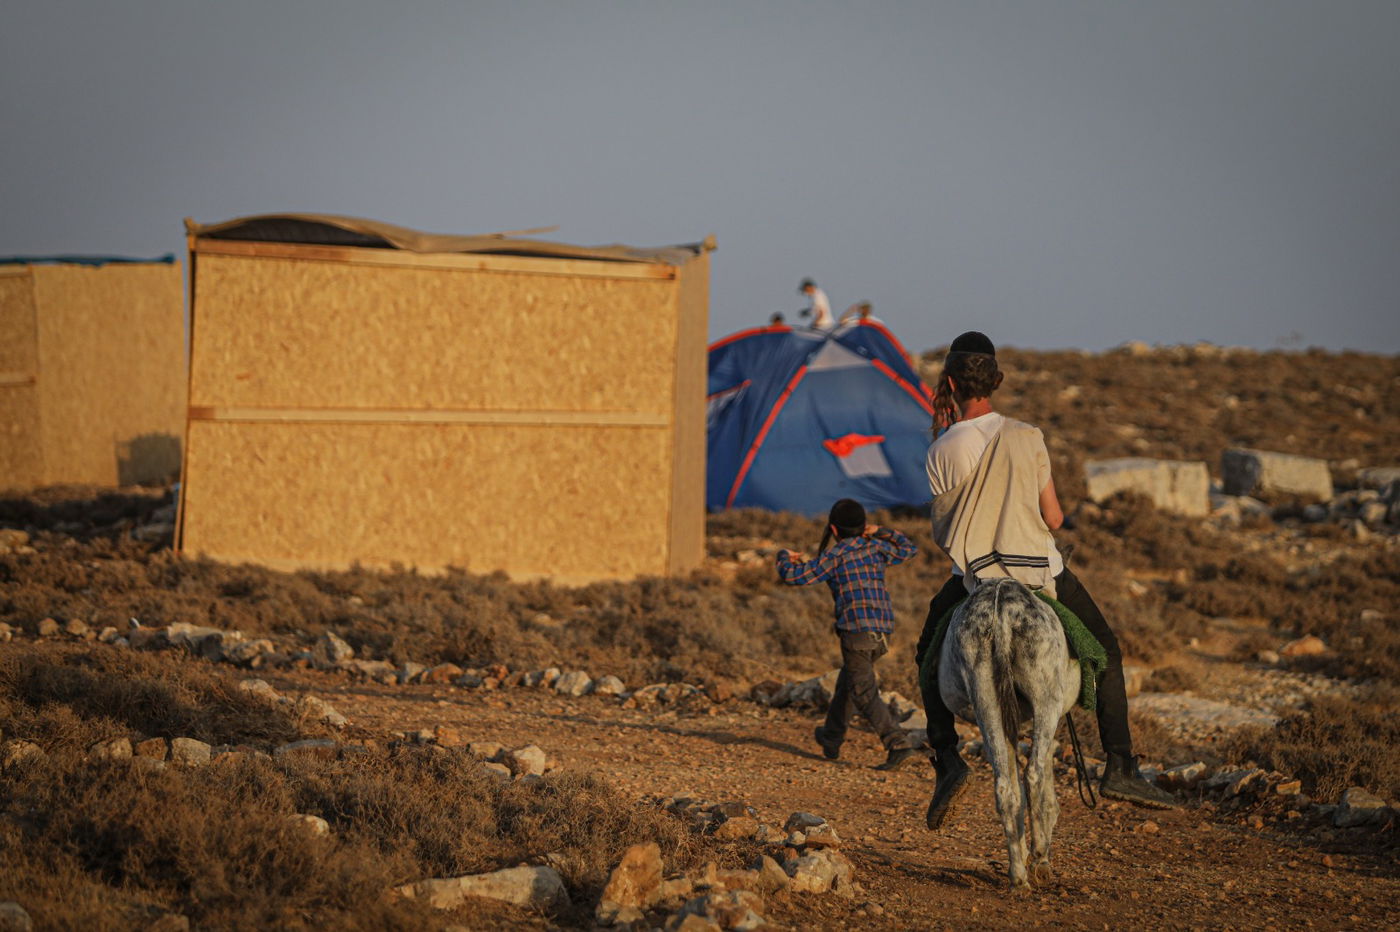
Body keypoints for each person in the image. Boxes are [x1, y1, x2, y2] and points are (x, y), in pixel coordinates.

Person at [917, 331, 1176, 829]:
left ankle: (947, 760)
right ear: (994, 382)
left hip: (975, 578)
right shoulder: (1028, 436)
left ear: (950, 384)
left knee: (927, 655)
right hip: (1039, 572)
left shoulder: (942, 449)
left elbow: (944, 531)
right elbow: (1053, 519)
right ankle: (1120, 765)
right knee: (1105, 649)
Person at [777, 498, 920, 770]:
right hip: (883, 631)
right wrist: (880, 532)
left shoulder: (835, 556)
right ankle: (831, 737)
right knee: (849, 682)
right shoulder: (876, 548)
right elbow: (909, 548)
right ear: (863, 526)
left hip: (856, 632)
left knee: (863, 690)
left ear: (833, 530)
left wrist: (783, 556)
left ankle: (897, 743)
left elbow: (794, 576)